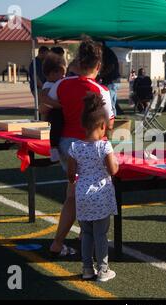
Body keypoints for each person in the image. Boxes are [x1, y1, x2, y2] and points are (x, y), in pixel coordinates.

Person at [46, 37, 115, 257]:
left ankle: (79, 237)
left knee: (74, 194)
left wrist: (66, 107)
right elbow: (109, 122)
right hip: (90, 146)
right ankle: (75, 241)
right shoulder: (100, 90)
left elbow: (47, 102)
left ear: (77, 62)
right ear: (98, 66)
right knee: (92, 195)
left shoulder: (62, 83)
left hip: (67, 144)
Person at [68, 92, 118, 281]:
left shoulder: (74, 147)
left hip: (82, 195)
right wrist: (117, 165)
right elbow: (113, 170)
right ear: (102, 126)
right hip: (101, 195)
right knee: (101, 234)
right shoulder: (104, 146)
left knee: (86, 233)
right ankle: (103, 270)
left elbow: (71, 174)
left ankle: (87, 268)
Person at [39, 53, 67, 162]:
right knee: (54, 133)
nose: (64, 77)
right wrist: (59, 105)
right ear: (52, 74)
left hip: (54, 113)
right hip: (52, 115)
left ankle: (55, 151)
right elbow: (44, 97)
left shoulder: (56, 83)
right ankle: (54, 153)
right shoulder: (48, 85)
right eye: (62, 74)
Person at [100, 45, 122, 116]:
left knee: (109, 103)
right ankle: (113, 120)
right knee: (111, 103)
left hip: (112, 81)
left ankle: (111, 121)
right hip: (114, 81)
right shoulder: (107, 52)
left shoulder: (106, 53)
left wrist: (101, 75)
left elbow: (110, 67)